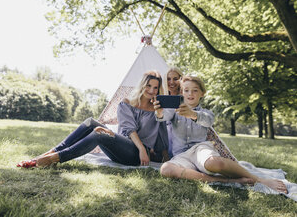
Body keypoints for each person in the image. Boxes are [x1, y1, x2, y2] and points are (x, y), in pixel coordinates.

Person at [154, 75, 288, 193]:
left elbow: (207, 121)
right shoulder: (173, 111)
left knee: (216, 163)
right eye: (186, 90)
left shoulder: (207, 113)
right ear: (181, 93)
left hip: (201, 150)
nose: (190, 94)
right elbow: (162, 116)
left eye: (195, 90)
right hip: (182, 156)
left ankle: (259, 180)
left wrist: (193, 114)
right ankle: (224, 181)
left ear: (202, 93)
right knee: (166, 169)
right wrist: (159, 112)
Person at [17, 70, 169, 168]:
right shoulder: (126, 104)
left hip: (137, 155)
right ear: (142, 85)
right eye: (148, 85)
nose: (151, 90)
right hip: (123, 145)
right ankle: (47, 153)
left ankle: (54, 158)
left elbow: (162, 139)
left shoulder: (157, 109)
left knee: (99, 132)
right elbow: (129, 129)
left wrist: (159, 116)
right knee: (91, 122)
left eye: (155, 88)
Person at [163, 67, 183, 158]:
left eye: (175, 79)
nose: (171, 82)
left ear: (181, 80)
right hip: (164, 135)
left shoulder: (186, 97)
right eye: (168, 79)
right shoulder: (162, 97)